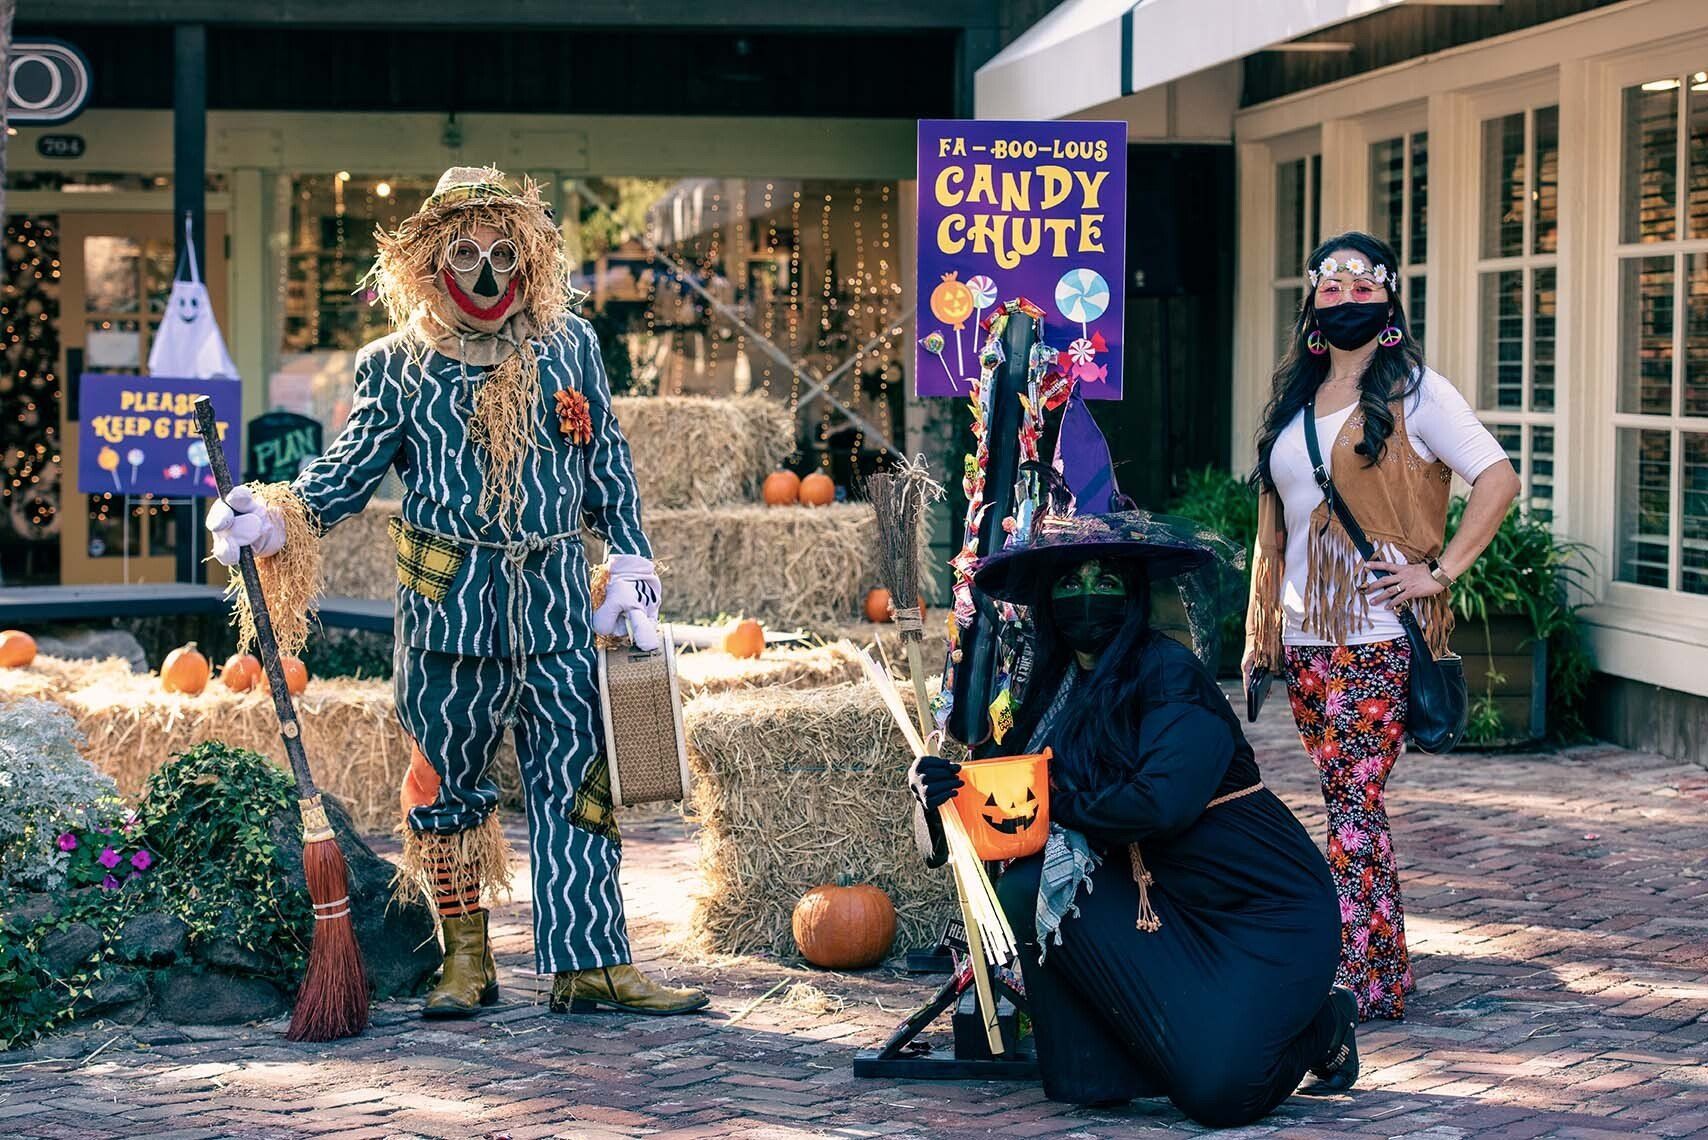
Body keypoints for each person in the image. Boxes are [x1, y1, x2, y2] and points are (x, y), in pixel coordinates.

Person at [206, 166, 708, 1020]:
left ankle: (590, 964)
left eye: (502, 251)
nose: (485, 270)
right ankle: (463, 962)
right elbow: (350, 471)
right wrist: (276, 520)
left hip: (555, 607)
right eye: (465, 251)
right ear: (432, 260)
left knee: (577, 784)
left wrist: (629, 561)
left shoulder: (568, 346)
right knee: (445, 790)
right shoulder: (395, 366)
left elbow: (606, 463)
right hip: (449, 614)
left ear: (528, 257)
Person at [910, 512, 1359, 1129]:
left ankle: (1324, 1023)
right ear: (1047, 599)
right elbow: (994, 809)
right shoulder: (1048, 691)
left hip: (1257, 909)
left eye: (1106, 580)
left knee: (1220, 1096)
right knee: (1088, 1082)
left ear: (1135, 593)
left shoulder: (1173, 676)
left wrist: (1051, 803)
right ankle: (1151, 1052)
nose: (1088, 596)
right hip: (1160, 900)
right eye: (1070, 582)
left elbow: (1160, 804)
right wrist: (939, 793)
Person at [1243, 231, 1520, 1021]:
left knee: (1355, 801)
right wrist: (1265, 623)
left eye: (1364, 286)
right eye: (1330, 289)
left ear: (1390, 301)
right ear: (1311, 307)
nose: (1347, 299)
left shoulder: (1420, 394)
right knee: (1344, 802)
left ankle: (1368, 977)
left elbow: (1498, 479)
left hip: (1377, 635)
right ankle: (1371, 962)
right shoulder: (1297, 401)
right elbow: (1283, 525)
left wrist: (1440, 571)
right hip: (1304, 639)